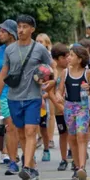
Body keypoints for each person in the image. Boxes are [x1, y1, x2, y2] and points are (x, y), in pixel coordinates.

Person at [0, 15, 54, 180]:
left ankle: (26, 168)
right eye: (19, 26)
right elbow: (3, 73)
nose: (21, 30)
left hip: (33, 97)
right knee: (20, 132)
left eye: (25, 27)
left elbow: (51, 67)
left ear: (32, 29)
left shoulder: (39, 49)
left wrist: (51, 81)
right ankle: (32, 166)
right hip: (13, 97)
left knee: (30, 131)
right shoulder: (10, 50)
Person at [56, 43, 90, 180]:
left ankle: (82, 167)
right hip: (69, 107)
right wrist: (59, 95)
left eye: (71, 55)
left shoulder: (87, 72)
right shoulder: (65, 72)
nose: (68, 58)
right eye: (68, 55)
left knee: (81, 135)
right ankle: (77, 166)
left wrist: (89, 88)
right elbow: (59, 90)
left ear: (80, 58)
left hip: (83, 106)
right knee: (72, 137)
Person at [0, 20, 20, 172]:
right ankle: (13, 160)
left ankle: (29, 159)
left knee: (25, 128)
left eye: (2, 31)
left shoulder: (24, 48)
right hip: (5, 95)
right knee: (11, 127)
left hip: (24, 93)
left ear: (11, 33)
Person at [50, 43, 71, 171]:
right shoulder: (53, 73)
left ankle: (76, 157)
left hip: (74, 107)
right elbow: (50, 92)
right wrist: (59, 105)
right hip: (59, 110)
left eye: (69, 56)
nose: (68, 59)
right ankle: (63, 159)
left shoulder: (73, 70)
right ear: (57, 59)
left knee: (75, 134)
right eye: (65, 57)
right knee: (63, 133)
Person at [36, 33, 54, 162]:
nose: (38, 43)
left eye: (41, 41)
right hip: (31, 94)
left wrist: (48, 92)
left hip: (44, 94)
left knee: (43, 125)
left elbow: (54, 77)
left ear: (47, 44)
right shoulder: (32, 57)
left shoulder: (49, 60)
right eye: (36, 41)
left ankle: (46, 148)